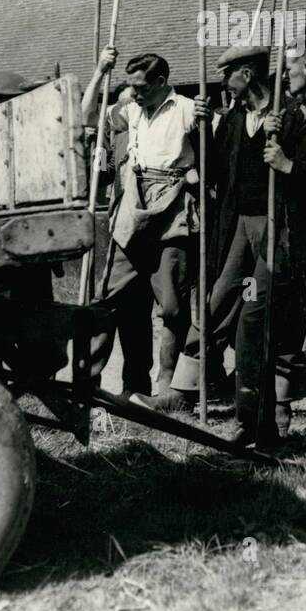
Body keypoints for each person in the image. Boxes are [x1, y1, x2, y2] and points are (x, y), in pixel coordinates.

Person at [133, 45, 273, 415]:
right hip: (239, 226)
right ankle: (182, 389)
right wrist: (201, 128)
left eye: (228, 74)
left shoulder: (283, 115)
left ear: (246, 74)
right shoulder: (232, 119)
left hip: (278, 227)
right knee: (220, 302)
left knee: (269, 312)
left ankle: (283, 406)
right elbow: (212, 167)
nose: (223, 82)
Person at [232, 34, 306, 446]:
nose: (284, 73)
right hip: (280, 243)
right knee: (252, 319)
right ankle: (253, 421)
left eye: (291, 64)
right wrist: (272, 139)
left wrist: (288, 166)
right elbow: (262, 171)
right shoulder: (292, 114)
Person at [89, 51, 209, 397]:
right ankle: (90, 385)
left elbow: (213, 151)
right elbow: (85, 118)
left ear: (160, 83)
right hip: (133, 204)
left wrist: (204, 128)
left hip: (172, 207)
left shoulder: (187, 109)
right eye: (130, 86)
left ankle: (168, 388)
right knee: (106, 297)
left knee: (172, 307)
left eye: (140, 86)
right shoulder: (131, 111)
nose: (134, 93)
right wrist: (100, 71)